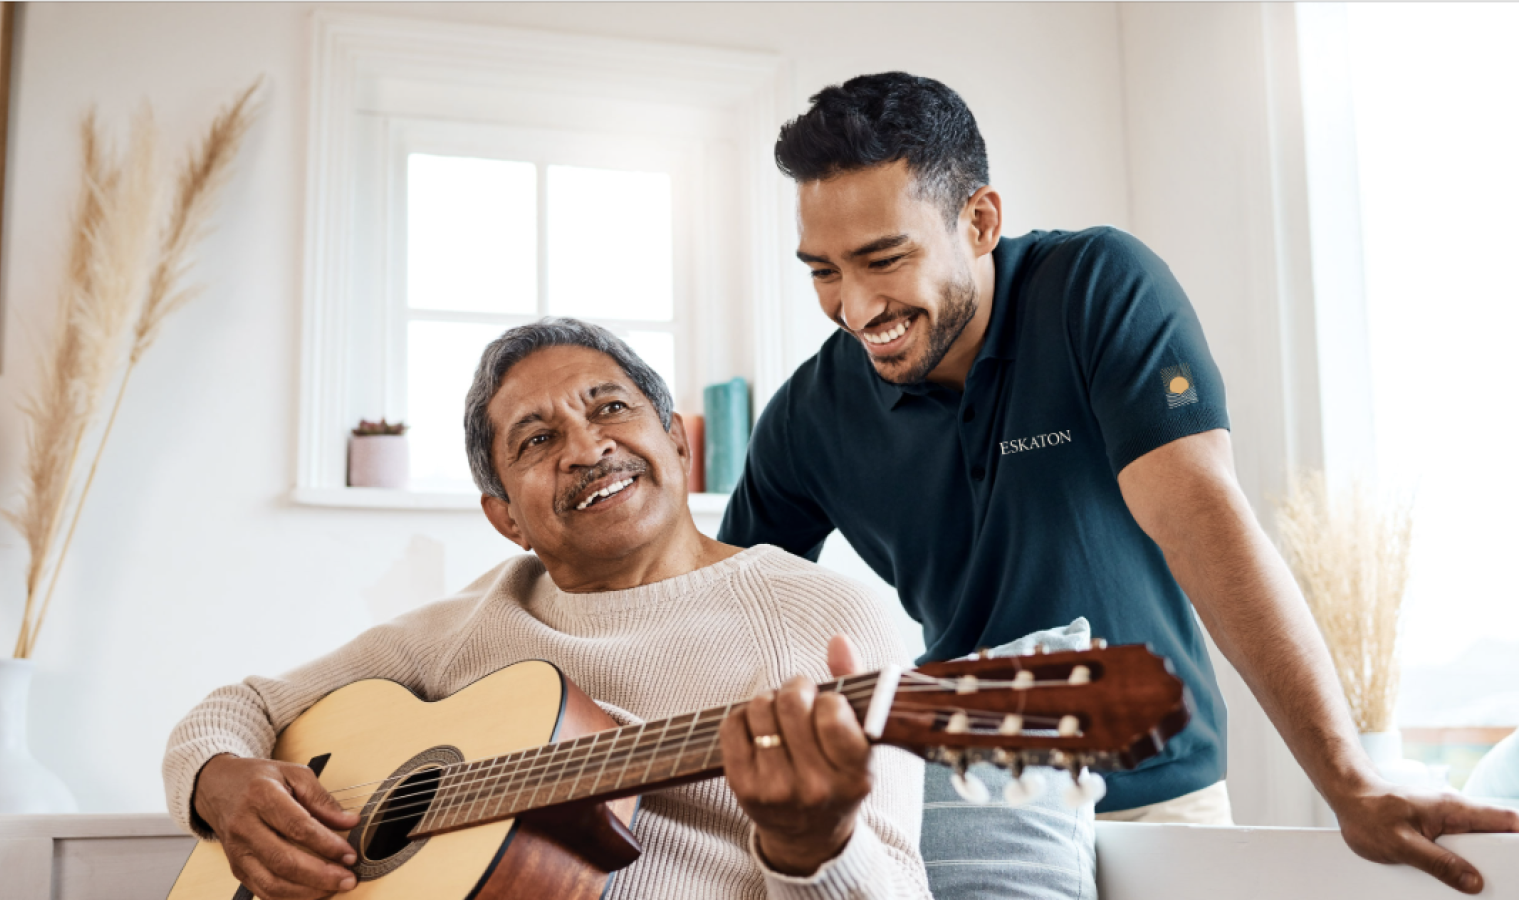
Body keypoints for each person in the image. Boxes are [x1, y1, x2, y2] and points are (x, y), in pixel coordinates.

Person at [718, 71, 1519, 895]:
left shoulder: (1094, 287)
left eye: (883, 259)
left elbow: (1199, 517)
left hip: (1159, 794)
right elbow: (717, 604)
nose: (854, 308)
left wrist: (1348, 778)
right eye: (822, 271)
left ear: (980, 220)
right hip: (966, 806)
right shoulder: (808, 417)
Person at [163, 319, 932, 900]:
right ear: (505, 517)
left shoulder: (828, 618)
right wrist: (218, 782)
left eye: (610, 408)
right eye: (536, 440)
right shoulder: (467, 626)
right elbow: (242, 706)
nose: (587, 447)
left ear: (673, 442)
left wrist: (814, 844)